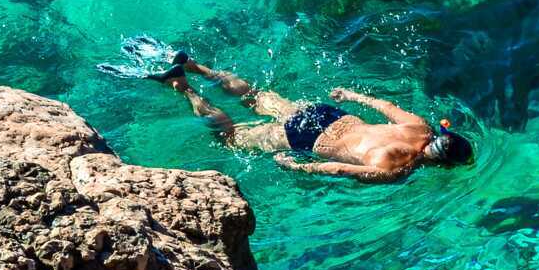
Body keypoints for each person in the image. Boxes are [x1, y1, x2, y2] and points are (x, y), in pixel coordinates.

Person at [147, 49, 473, 182]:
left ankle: (192, 64)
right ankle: (182, 85)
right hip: (307, 139)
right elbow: (337, 168)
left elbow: (385, 107)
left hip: (327, 114)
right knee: (230, 137)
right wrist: (300, 166)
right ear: (440, 163)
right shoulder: (395, 169)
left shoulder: (421, 127)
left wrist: (352, 95)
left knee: (254, 97)